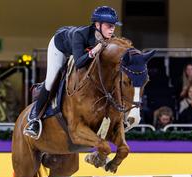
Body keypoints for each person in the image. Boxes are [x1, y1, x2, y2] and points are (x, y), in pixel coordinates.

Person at [24, 6, 121, 139]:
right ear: (97, 25)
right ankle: (34, 119)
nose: (112, 29)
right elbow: (79, 63)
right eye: (109, 25)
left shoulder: (110, 39)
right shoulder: (80, 35)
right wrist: (95, 50)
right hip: (60, 48)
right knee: (52, 80)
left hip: (77, 52)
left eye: (113, 26)